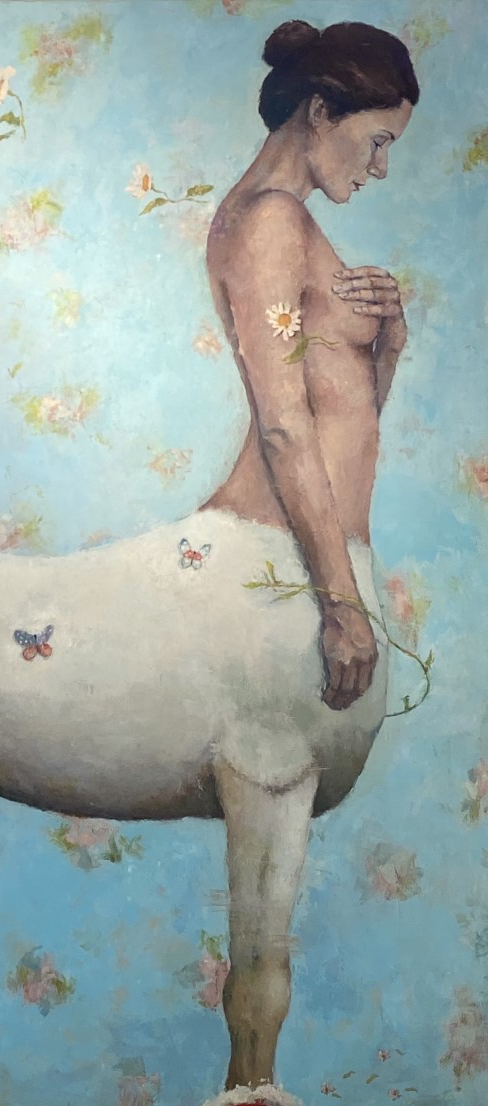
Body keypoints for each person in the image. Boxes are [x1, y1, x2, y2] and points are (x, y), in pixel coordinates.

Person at [202, 19, 418, 715]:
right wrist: (341, 608)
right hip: (276, 557)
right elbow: (284, 428)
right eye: (378, 142)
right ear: (322, 111)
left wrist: (387, 342)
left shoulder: (281, 218)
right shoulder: (269, 221)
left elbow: (346, 416)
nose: (380, 169)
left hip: (309, 561)